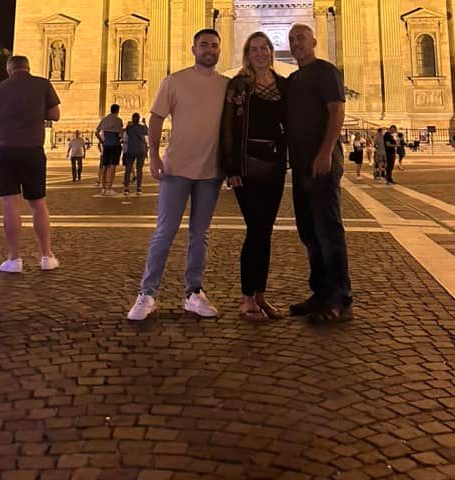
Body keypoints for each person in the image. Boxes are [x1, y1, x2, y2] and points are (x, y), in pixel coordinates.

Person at [127, 29, 228, 321]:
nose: (209, 49)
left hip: (211, 171)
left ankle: (194, 293)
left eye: (214, 45)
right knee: (164, 232)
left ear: (220, 51)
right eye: (204, 45)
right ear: (193, 48)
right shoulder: (174, 81)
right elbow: (156, 118)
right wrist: (154, 155)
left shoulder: (227, 85)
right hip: (176, 169)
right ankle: (147, 293)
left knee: (201, 234)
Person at [285, 23, 352, 324]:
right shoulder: (294, 78)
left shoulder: (326, 71)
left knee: (328, 230)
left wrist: (326, 151)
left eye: (301, 38)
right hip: (300, 165)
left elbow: (337, 111)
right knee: (309, 232)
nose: (296, 43)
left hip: (322, 163)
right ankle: (320, 293)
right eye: (292, 39)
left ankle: (340, 299)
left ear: (313, 40)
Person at [221, 31, 288, 321]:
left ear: (272, 51)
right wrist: (231, 167)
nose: (260, 53)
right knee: (256, 229)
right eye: (254, 49)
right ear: (247, 54)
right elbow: (227, 126)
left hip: (273, 165)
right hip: (247, 166)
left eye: (265, 48)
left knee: (265, 231)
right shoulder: (239, 86)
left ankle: (260, 296)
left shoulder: (284, 85)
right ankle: (247, 298)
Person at [0, 54, 60, 273]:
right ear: (28, 68)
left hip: (7, 150)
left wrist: (6, 119)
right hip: (33, 151)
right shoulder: (43, 84)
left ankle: (14, 259)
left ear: (9, 70)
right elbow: (55, 114)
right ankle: (46, 256)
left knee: (10, 205)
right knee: (39, 205)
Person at [96, 104, 124, 196]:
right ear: (117, 110)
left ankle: (103, 187)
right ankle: (109, 188)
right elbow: (120, 134)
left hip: (106, 145)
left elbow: (97, 132)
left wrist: (102, 141)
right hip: (115, 145)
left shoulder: (104, 119)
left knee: (104, 166)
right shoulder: (119, 120)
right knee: (112, 167)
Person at [122, 113, 148, 196]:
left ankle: (126, 188)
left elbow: (125, 132)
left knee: (128, 169)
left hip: (131, 150)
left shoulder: (129, 128)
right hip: (141, 150)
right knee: (139, 169)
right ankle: (139, 188)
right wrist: (144, 123)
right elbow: (148, 132)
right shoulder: (142, 127)